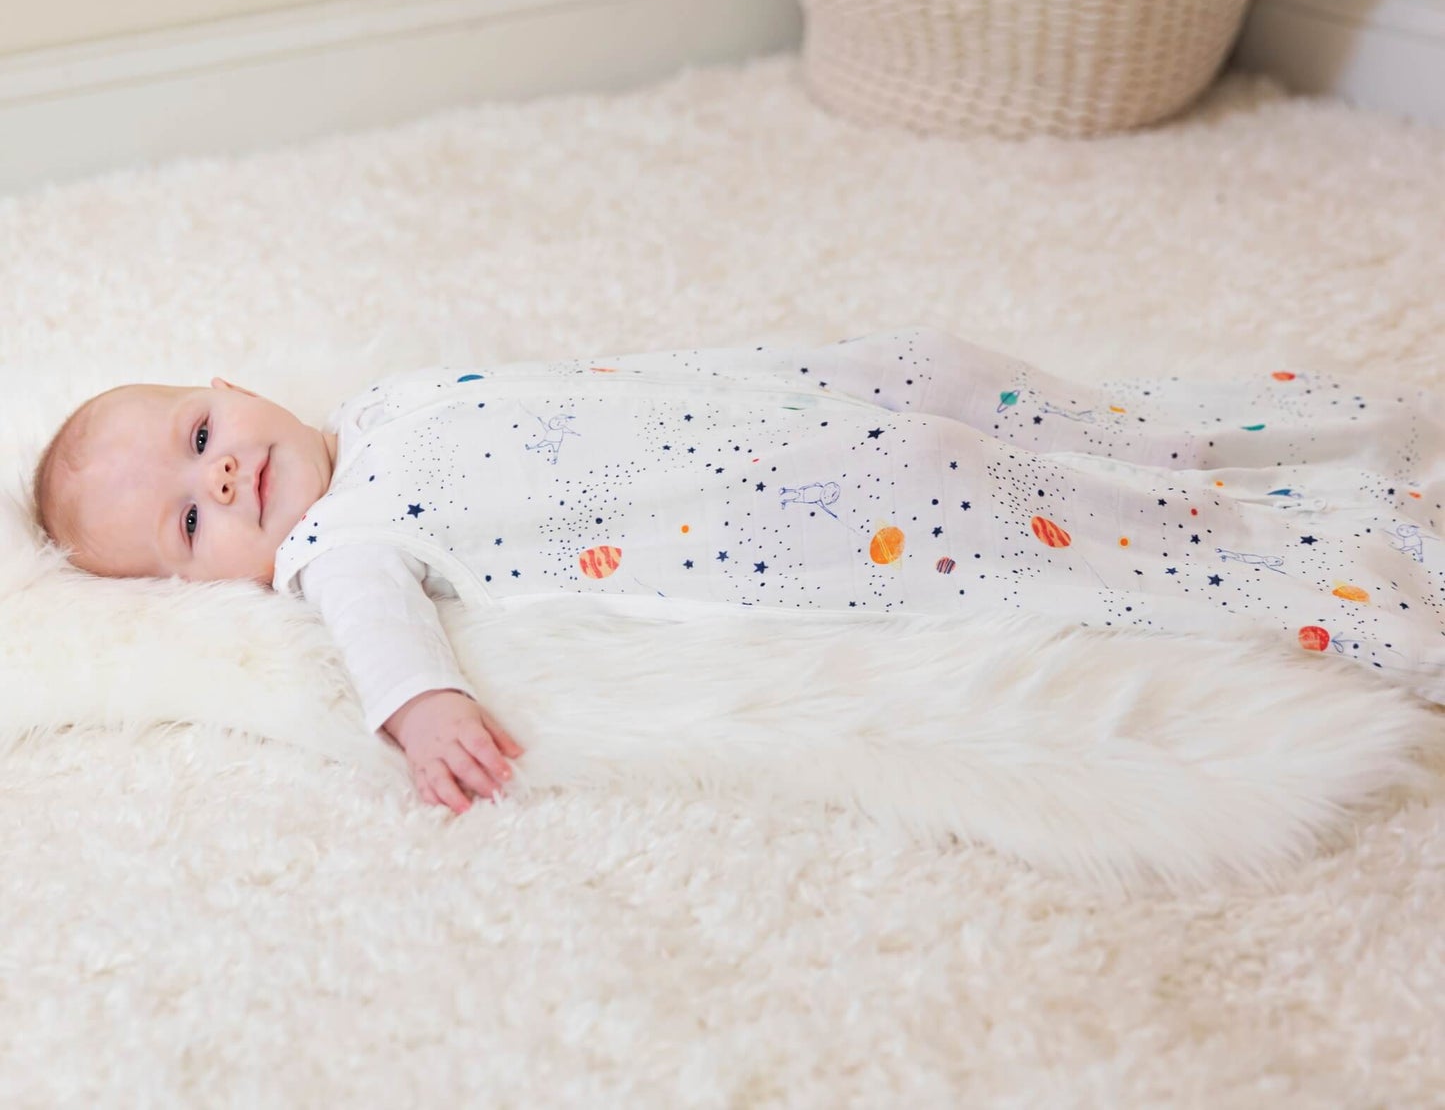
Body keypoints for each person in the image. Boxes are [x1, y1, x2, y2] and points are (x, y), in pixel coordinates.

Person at [31, 327, 1445, 814]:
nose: (219, 479)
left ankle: (1311, 448)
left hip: (809, 396)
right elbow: (376, 626)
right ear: (206, 586)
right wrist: (420, 708)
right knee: (1072, 537)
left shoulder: (394, 394)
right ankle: (1359, 580)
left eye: (200, 436)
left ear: (229, 385)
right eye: (188, 523)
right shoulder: (337, 548)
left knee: (1031, 410)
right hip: (817, 519)